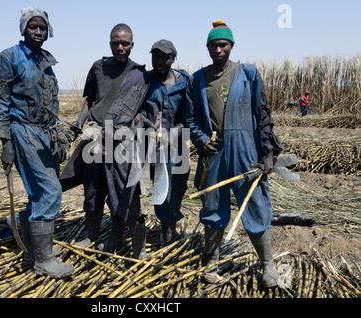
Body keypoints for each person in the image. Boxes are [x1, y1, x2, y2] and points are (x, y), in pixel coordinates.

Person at [184, 21, 284, 288]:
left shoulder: (247, 73)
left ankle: (268, 267)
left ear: (231, 46)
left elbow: (263, 113)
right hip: (214, 153)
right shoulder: (197, 79)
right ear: (207, 48)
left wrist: (268, 153)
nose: (218, 49)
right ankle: (211, 264)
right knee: (213, 207)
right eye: (214, 45)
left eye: (223, 45)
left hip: (246, 151)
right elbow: (191, 119)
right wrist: (202, 140)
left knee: (255, 205)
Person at [0, 7, 75, 278]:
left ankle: (34, 249)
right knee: (50, 192)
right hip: (23, 132)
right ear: (23, 29)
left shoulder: (45, 60)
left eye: (42, 28)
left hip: (45, 135)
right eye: (32, 27)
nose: (38, 32)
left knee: (38, 193)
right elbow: (0, 102)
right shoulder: (8, 58)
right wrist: (6, 143)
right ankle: (43, 260)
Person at [59, 23, 151, 259]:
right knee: (92, 189)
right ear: (109, 43)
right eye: (115, 43)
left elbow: (140, 111)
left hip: (121, 142)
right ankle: (91, 234)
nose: (120, 47)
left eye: (125, 43)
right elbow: (89, 100)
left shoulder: (140, 75)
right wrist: (79, 121)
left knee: (123, 191)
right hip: (94, 138)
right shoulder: (98, 67)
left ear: (132, 45)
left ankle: (118, 236)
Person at [140, 40, 190, 245]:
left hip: (177, 147)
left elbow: (190, 116)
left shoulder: (185, 81)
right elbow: (136, 111)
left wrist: (173, 132)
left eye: (165, 57)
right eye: (156, 56)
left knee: (176, 189)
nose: (160, 61)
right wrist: (147, 126)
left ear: (173, 59)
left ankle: (172, 227)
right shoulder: (144, 80)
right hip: (151, 146)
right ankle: (167, 237)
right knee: (161, 189)